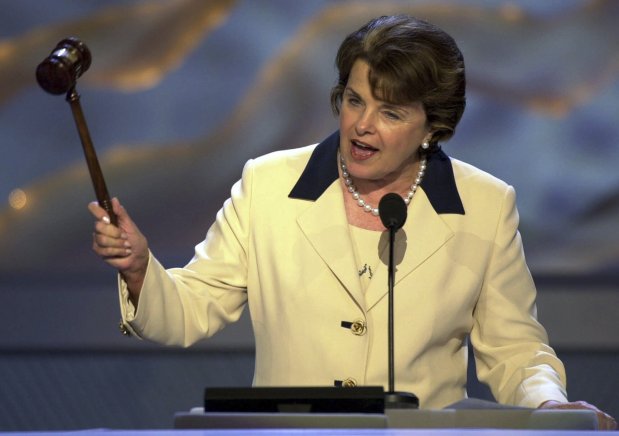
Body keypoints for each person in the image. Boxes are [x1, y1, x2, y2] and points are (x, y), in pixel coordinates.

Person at [89, 15, 616, 429]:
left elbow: (516, 350)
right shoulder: (269, 185)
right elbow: (189, 309)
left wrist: (549, 405)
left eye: (391, 113)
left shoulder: (484, 205)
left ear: (433, 127)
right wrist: (140, 269)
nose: (362, 126)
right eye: (355, 101)